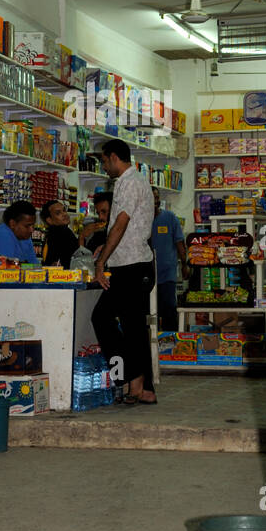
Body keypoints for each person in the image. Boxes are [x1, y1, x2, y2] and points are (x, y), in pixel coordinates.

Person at [91, 139, 156, 405]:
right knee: (128, 325)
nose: (104, 167)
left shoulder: (130, 182)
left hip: (133, 265)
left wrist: (100, 262)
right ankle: (139, 385)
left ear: (114, 157)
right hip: (127, 263)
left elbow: (120, 224)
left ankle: (135, 382)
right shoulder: (130, 182)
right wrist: (105, 253)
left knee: (109, 319)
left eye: (105, 162)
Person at [150, 190, 189, 332]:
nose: (156, 200)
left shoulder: (170, 218)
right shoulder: (140, 219)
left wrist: (185, 264)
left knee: (169, 311)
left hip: (167, 276)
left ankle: (170, 345)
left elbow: (180, 243)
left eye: (157, 197)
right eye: (152, 197)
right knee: (150, 313)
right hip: (147, 278)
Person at [41, 199, 81, 269]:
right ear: (49, 220)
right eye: (58, 213)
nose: (64, 214)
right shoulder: (62, 233)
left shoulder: (53, 233)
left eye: (64, 210)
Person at [85, 191, 113, 256]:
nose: (100, 217)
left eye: (104, 212)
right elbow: (87, 256)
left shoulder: (124, 232)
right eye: (98, 213)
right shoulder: (100, 233)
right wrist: (82, 236)